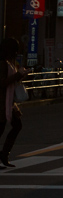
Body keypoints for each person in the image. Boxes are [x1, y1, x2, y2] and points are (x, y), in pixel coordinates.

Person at [0, 38, 27, 168]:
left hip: (8, 102)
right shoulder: (2, 63)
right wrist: (18, 76)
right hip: (1, 102)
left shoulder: (9, 62)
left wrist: (21, 75)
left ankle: (4, 154)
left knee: (17, 125)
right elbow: (2, 83)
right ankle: (4, 155)